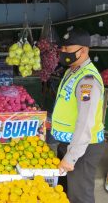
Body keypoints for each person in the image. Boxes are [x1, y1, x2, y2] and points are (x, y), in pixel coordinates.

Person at [51, 28, 105, 203]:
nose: (63, 52)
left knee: (80, 197)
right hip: (67, 144)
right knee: (65, 194)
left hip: (83, 149)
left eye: (68, 49)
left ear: (83, 50)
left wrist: (71, 156)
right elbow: (66, 107)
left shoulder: (87, 80)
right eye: (62, 49)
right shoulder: (71, 71)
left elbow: (85, 121)